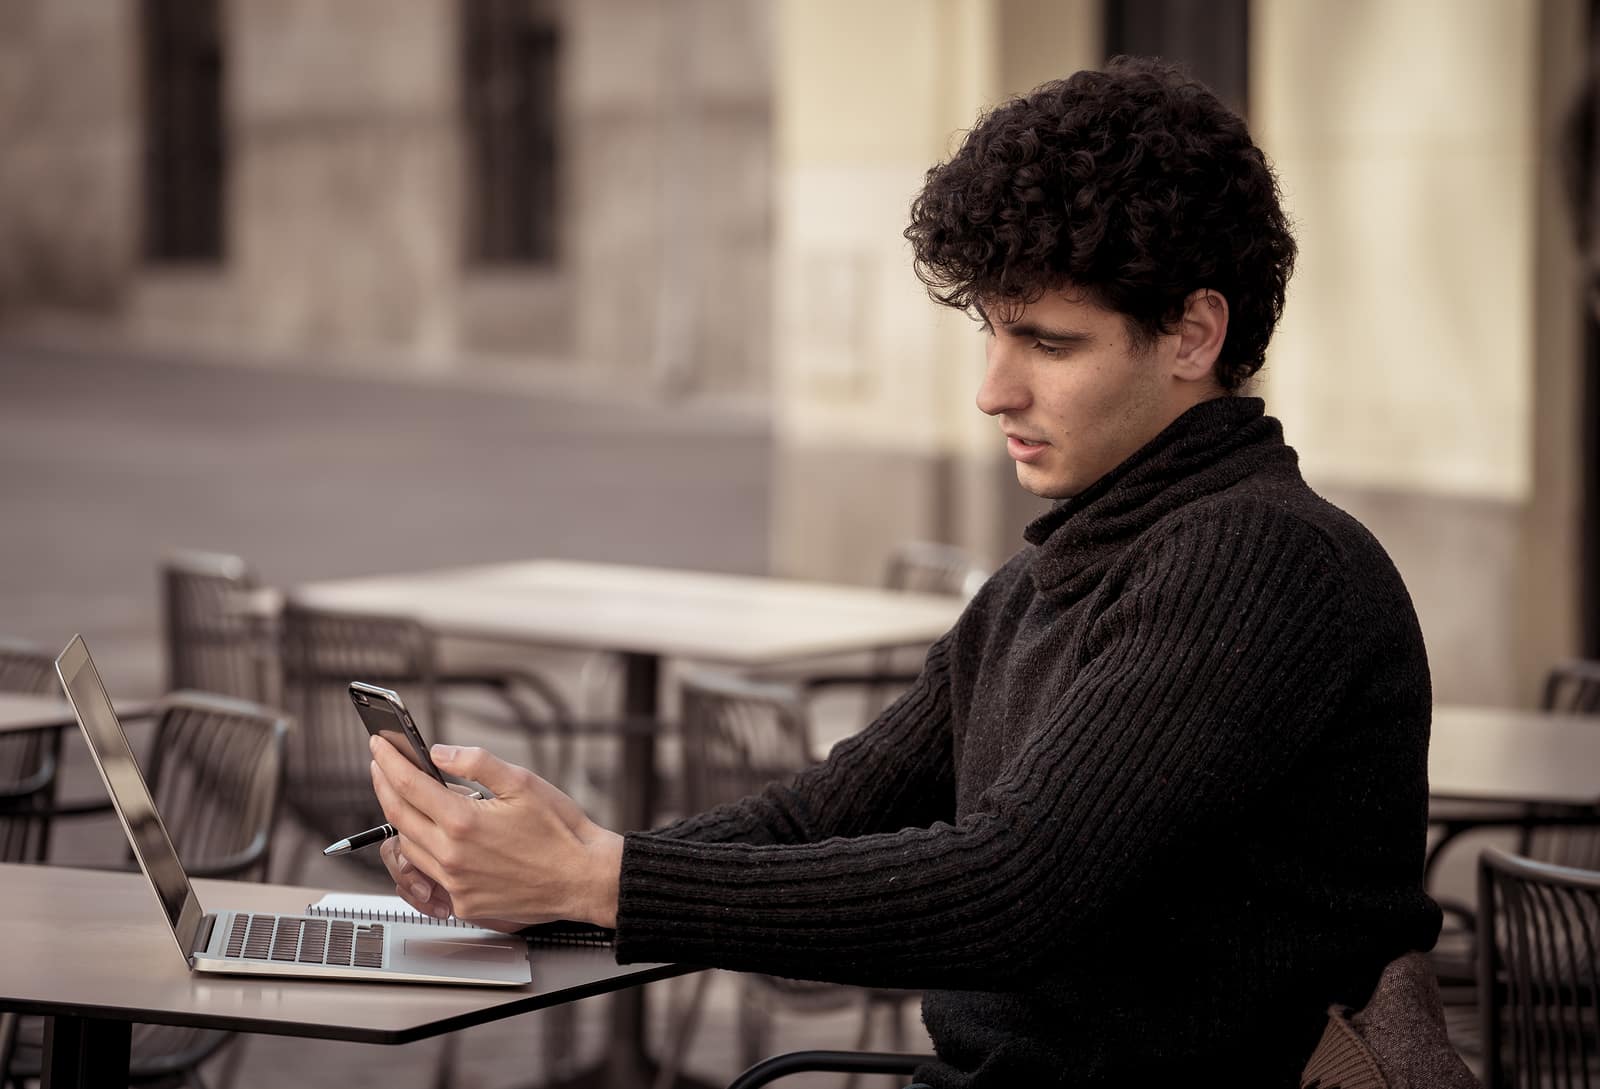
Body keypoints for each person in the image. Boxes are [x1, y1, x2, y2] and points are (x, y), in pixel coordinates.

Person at [368, 57, 1443, 1086]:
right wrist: (548, 873)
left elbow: (1011, 890)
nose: (992, 390)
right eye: (989, 332)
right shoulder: (1049, 575)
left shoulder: (1261, 557)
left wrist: (604, 880)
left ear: (1191, 334)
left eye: (1049, 344)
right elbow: (823, 814)